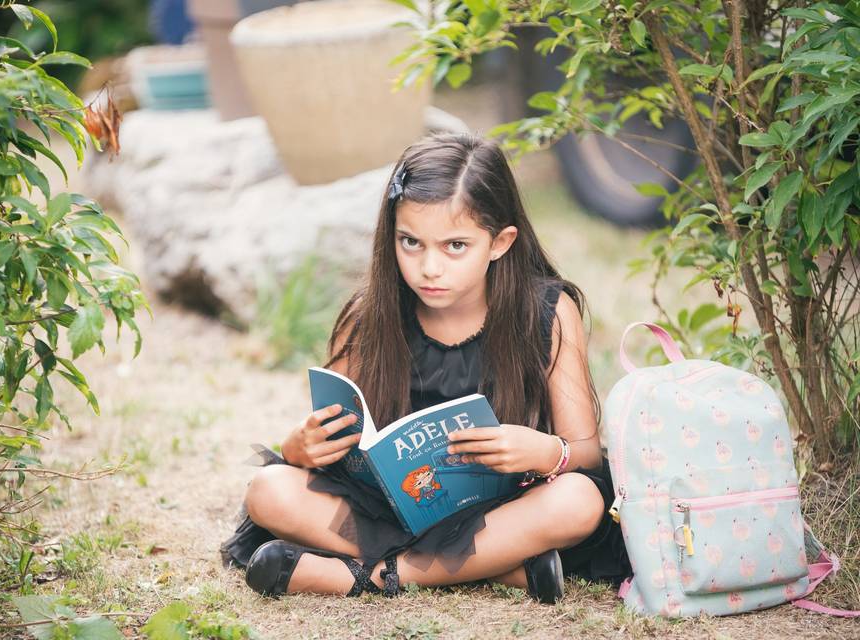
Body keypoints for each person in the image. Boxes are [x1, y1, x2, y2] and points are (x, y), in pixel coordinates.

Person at [221, 132, 631, 602]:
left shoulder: (548, 312)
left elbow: (584, 453)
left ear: (500, 242)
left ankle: (360, 577)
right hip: (390, 511)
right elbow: (327, 440)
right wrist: (299, 448)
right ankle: (500, 568)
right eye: (410, 242)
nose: (429, 267)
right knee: (269, 489)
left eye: (455, 246)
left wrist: (543, 453)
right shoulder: (368, 316)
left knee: (577, 501)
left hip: (507, 507)